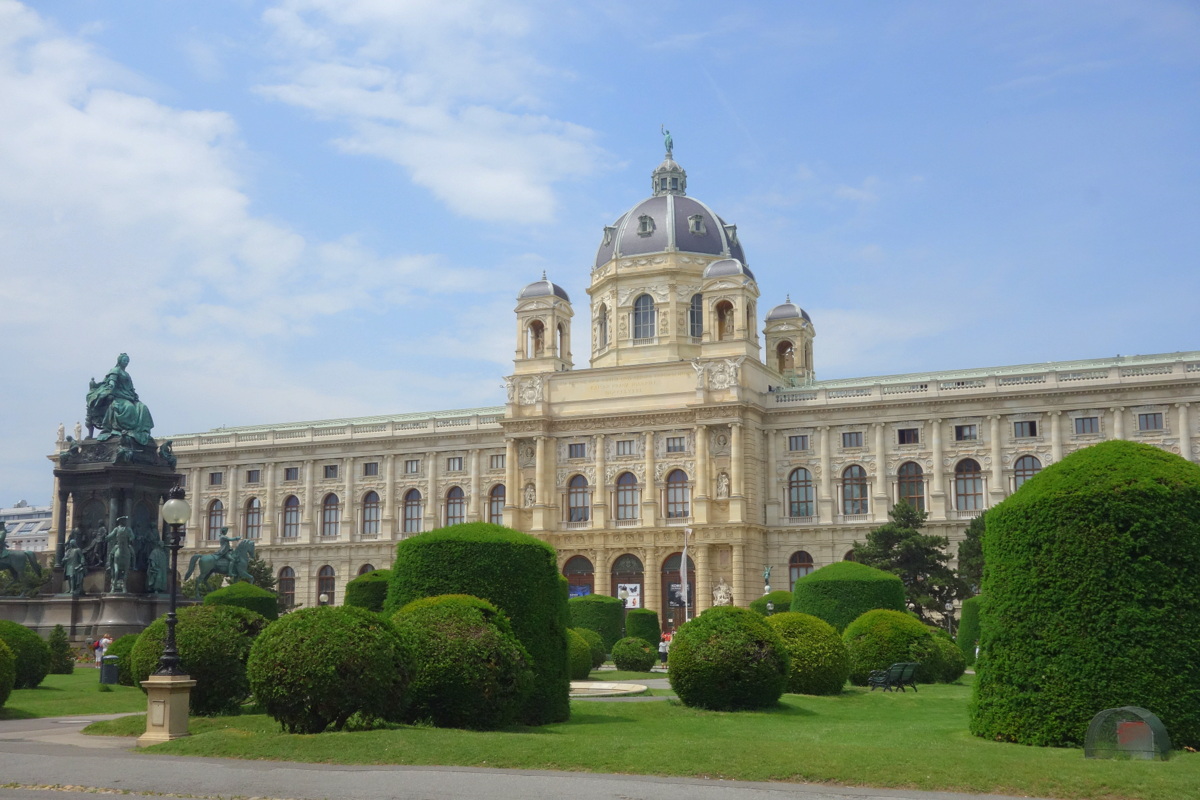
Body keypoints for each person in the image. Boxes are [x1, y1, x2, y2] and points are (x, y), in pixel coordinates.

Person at [87, 353, 155, 445]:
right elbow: (111, 384)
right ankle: (126, 430)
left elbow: (131, 388)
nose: (126, 362)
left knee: (143, 407)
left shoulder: (127, 374)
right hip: (118, 396)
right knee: (129, 407)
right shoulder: (115, 370)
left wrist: (134, 395)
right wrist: (110, 388)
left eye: (127, 361)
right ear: (119, 361)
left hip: (128, 396)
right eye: (124, 360)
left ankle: (142, 432)